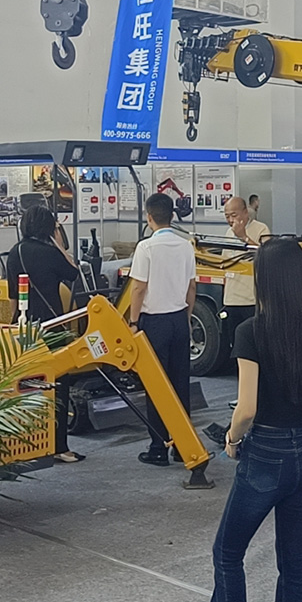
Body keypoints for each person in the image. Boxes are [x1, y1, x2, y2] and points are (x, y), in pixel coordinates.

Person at [209, 238, 302, 602]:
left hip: (265, 455)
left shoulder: (250, 331)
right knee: (295, 558)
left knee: (227, 552)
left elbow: (247, 408)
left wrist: (232, 439)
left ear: (263, 280)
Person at [5, 205, 83, 463]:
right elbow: (73, 272)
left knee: (26, 384)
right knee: (58, 384)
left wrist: (13, 325)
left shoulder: (15, 252)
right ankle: (60, 446)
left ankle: (26, 445)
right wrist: (58, 242)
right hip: (52, 327)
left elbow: (13, 295)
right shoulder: (50, 253)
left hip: (24, 327)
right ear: (49, 227)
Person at [129, 193, 198, 466]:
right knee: (181, 384)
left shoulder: (146, 247)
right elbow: (192, 287)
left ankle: (158, 447)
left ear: (149, 217)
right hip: (179, 319)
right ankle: (183, 446)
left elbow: (138, 288)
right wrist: (186, 316)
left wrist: (133, 322)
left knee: (156, 385)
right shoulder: (185, 246)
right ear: (172, 215)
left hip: (154, 322)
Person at [221, 196, 271, 330]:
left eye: (234, 215)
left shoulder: (261, 229)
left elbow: (267, 257)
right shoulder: (228, 232)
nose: (230, 220)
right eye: (227, 216)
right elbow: (225, 262)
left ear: (245, 212)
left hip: (252, 299)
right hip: (231, 299)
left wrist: (244, 237)